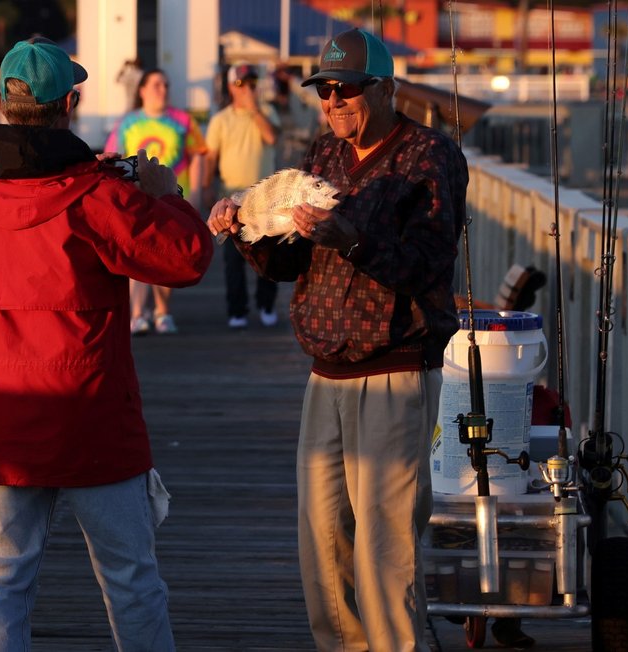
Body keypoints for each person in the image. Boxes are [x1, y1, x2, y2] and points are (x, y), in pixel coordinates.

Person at [0, 37, 212, 650]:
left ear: (6, 102)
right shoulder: (97, 191)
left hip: (0, 415)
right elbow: (188, 257)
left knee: (0, 577)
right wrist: (164, 190)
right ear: (70, 101)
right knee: (131, 580)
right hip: (91, 415)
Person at [207, 28, 468, 651]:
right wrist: (244, 231)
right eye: (324, 91)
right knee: (322, 543)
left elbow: (426, 264)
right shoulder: (323, 154)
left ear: (385, 89)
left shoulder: (432, 156)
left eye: (345, 89)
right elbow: (290, 266)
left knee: (387, 546)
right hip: (325, 371)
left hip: (396, 369)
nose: (332, 102)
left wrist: (350, 237)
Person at [105, 68, 208, 335]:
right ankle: (137, 314)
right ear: (142, 91)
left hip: (172, 197)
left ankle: (163, 312)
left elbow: (198, 154)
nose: (162, 89)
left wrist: (196, 191)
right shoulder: (128, 122)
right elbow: (113, 154)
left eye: (165, 84)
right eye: (156, 85)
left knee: (168, 253)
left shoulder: (182, 120)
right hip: (137, 199)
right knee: (138, 254)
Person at [203, 63, 281, 330]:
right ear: (230, 87)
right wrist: (206, 187)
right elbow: (211, 157)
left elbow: (272, 137)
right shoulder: (220, 119)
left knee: (268, 254)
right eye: (241, 84)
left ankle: (266, 305)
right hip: (232, 199)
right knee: (233, 259)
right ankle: (237, 309)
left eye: (251, 82)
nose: (248, 88)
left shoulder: (267, 112)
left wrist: (254, 110)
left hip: (265, 199)